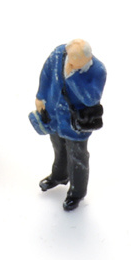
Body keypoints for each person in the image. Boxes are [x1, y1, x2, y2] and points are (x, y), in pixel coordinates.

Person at [33, 39, 107, 210]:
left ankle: (77, 192)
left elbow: (91, 99)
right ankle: (59, 175)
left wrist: (73, 76)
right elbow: (46, 74)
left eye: (75, 63)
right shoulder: (59, 55)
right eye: (70, 60)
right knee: (58, 147)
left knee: (77, 156)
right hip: (55, 115)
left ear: (88, 59)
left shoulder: (98, 70)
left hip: (76, 122)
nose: (70, 64)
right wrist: (40, 96)